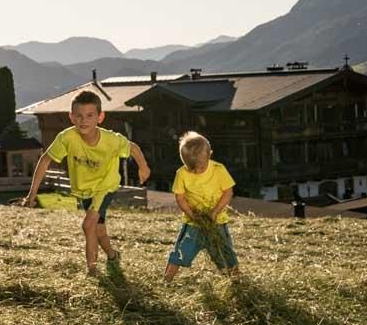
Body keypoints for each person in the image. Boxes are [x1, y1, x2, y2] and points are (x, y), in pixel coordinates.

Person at [21, 90, 150, 273]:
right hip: (85, 190)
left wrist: (143, 167)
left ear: (100, 117)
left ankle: (92, 272)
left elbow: (133, 148)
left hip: (105, 186)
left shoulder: (111, 140)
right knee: (99, 230)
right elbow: (45, 160)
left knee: (88, 225)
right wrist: (32, 193)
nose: (84, 120)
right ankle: (113, 255)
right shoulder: (67, 138)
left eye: (90, 115)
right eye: (79, 116)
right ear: (71, 117)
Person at [163, 130, 239, 281]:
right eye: (193, 169)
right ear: (184, 162)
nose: (197, 172)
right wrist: (192, 214)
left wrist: (215, 212)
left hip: (216, 222)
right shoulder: (181, 173)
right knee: (180, 252)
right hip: (193, 224)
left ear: (210, 154)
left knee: (226, 254)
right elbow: (180, 197)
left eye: (201, 168)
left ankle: (236, 281)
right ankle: (167, 280)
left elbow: (228, 192)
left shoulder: (218, 169)